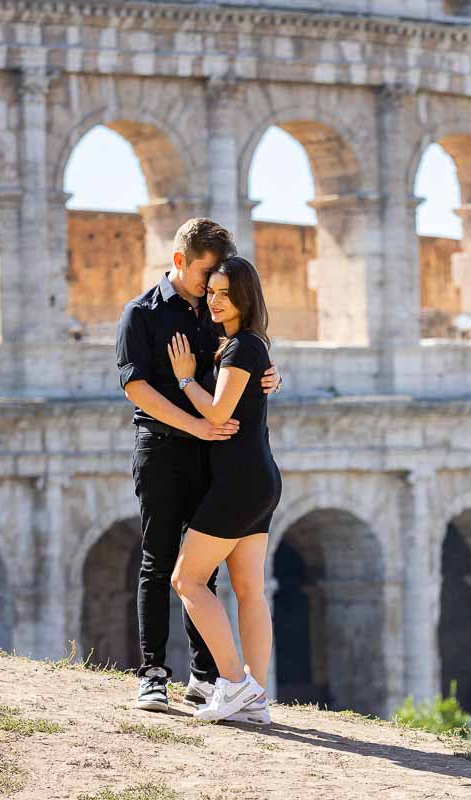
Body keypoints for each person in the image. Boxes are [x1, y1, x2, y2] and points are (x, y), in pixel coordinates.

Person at [116, 219, 281, 713]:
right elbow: (134, 386)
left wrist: (267, 376)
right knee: (158, 559)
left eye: (221, 284)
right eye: (207, 277)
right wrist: (196, 423)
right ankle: (152, 674)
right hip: (165, 448)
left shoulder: (216, 315)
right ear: (181, 260)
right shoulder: (141, 313)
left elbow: (243, 358)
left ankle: (209, 677)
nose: (212, 290)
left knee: (201, 575)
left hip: (216, 457)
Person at [167, 255, 282, 723]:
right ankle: (256, 698)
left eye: (224, 294)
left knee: (186, 579)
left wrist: (184, 378)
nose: (213, 301)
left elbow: (217, 413)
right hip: (258, 479)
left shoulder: (242, 349)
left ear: (244, 298)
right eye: (210, 292)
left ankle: (234, 683)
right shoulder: (248, 346)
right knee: (249, 590)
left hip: (240, 483)